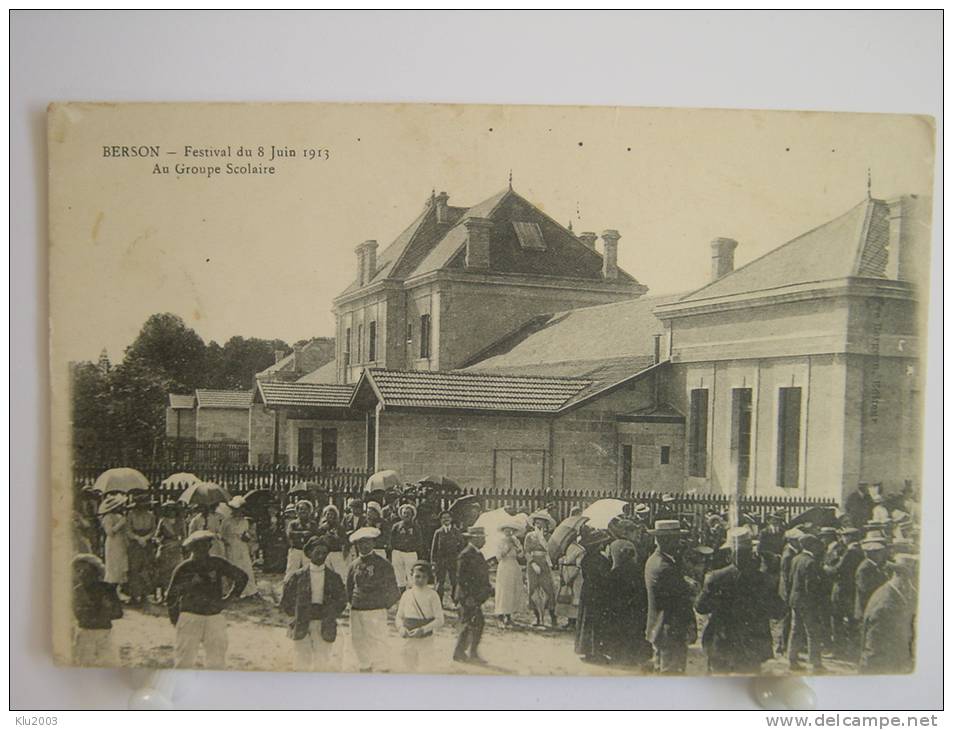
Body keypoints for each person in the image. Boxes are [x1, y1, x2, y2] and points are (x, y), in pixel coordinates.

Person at [695, 527, 787, 674]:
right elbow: (779, 611)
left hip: (722, 644)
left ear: (730, 553)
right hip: (752, 648)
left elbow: (700, 607)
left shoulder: (716, 578)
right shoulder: (764, 580)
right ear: (751, 552)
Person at [166, 530, 248, 669]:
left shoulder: (217, 563)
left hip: (214, 616)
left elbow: (242, 577)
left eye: (206, 545)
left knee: (216, 661)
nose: (202, 549)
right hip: (190, 616)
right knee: (183, 661)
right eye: (197, 546)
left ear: (210, 547)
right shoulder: (184, 568)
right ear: (191, 548)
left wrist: (228, 599)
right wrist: (176, 620)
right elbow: (171, 596)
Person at [280, 535, 347, 672]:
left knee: (322, 662)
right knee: (301, 662)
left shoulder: (334, 578)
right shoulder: (297, 576)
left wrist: (329, 613)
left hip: (324, 622)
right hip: (302, 622)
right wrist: (297, 614)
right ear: (309, 553)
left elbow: (341, 601)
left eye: (324, 553)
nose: (321, 556)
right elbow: (286, 601)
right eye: (317, 552)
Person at [644, 520, 696, 674]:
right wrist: (689, 587)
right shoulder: (665, 567)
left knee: (662, 670)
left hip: (659, 625)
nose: (679, 543)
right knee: (672, 673)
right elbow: (681, 600)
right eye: (675, 539)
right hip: (670, 628)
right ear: (666, 540)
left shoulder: (656, 560)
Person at [345, 526, 400, 672]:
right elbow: (349, 587)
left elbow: (393, 588)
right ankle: (364, 664)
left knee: (378, 638)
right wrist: (353, 602)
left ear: (373, 543)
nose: (364, 546)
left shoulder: (383, 564)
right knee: (358, 638)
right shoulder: (353, 565)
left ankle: (382, 666)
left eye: (367, 542)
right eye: (360, 543)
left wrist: (383, 605)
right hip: (357, 608)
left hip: (376, 608)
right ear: (356, 545)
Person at [860, 555, 917, 674]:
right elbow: (873, 651)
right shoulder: (885, 605)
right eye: (911, 579)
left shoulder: (896, 594)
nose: (912, 587)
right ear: (901, 577)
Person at [604, 538, 653, 667]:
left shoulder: (614, 573)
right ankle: (635, 657)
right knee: (635, 632)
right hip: (636, 609)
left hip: (619, 610)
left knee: (620, 632)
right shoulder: (639, 571)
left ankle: (619, 656)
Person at [71, 553, 123, 666]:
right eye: (78, 571)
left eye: (85, 571)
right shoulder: (78, 591)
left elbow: (118, 613)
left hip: (105, 634)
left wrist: (107, 607)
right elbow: (78, 615)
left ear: (96, 572)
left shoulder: (108, 589)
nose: (81, 574)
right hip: (85, 633)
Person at [787, 533, 827, 672]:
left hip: (795, 600)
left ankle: (792, 660)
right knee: (813, 632)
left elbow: (791, 579)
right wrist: (817, 603)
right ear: (811, 545)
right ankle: (816, 664)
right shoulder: (810, 562)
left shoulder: (796, 558)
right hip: (807, 602)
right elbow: (811, 587)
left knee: (795, 630)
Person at [396, 561, 445, 671]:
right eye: (417, 576)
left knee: (426, 669)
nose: (420, 580)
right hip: (408, 637)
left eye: (424, 577)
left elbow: (440, 620)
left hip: (425, 639)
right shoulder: (407, 594)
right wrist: (401, 628)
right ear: (411, 575)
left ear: (428, 578)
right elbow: (399, 616)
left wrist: (423, 630)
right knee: (408, 668)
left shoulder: (432, 595)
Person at [453, 526, 492, 664]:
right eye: (482, 537)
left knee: (476, 623)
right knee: (469, 624)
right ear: (474, 538)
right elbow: (462, 579)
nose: (484, 540)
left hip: (475, 596)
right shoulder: (466, 554)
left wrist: (487, 589)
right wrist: (468, 597)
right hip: (467, 597)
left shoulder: (477, 553)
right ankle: (461, 652)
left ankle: (470, 652)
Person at [824, 527, 864, 658]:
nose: (842, 539)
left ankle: (839, 651)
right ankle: (853, 650)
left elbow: (838, 570)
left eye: (844, 536)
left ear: (850, 537)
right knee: (852, 621)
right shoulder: (860, 550)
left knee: (837, 620)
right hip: (852, 590)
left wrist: (826, 568)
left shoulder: (851, 552)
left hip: (842, 590)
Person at [575, 528, 613, 664]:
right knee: (596, 621)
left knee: (586, 619)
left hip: (587, 590)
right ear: (599, 545)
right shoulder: (601, 559)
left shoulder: (586, 558)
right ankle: (595, 651)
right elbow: (605, 576)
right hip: (598, 592)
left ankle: (586, 649)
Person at [524, 510, 557, 627]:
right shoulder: (529, 536)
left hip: (545, 563)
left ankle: (553, 617)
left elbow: (553, 551)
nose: (539, 525)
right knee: (532, 590)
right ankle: (537, 617)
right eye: (537, 522)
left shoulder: (549, 537)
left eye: (542, 523)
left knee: (549, 589)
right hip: (533, 564)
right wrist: (532, 563)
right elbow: (527, 552)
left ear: (546, 524)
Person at [221, 496, 258, 598]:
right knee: (233, 567)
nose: (239, 512)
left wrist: (246, 537)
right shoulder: (227, 521)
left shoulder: (245, 522)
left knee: (245, 566)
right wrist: (228, 542)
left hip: (242, 547)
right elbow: (222, 535)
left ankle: (249, 591)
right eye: (236, 510)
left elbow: (247, 534)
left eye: (241, 510)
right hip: (231, 546)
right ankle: (232, 591)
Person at [776, 527, 803, 655]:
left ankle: (783, 644)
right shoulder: (788, 555)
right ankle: (782, 645)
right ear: (792, 541)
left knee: (787, 618)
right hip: (787, 590)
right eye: (798, 540)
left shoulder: (792, 551)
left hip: (788, 590)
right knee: (787, 618)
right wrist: (787, 594)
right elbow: (786, 577)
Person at [430, 510, 465, 606]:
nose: (446, 520)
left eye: (448, 517)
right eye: (443, 518)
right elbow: (434, 549)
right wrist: (433, 562)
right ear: (440, 520)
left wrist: (460, 560)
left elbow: (461, 547)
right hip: (441, 561)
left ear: (451, 519)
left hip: (453, 560)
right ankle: (438, 602)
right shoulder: (438, 532)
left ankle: (455, 601)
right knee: (439, 582)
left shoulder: (456, 532)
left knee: (454, 581)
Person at [494, 521, 525, 627]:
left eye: (511, 530)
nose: (508, 532)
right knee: (504, 590)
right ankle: (500, 615)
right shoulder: (500, 541)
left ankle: (509, 615)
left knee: (513, 590)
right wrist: (507, 548)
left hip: (514, 565)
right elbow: (498, 557)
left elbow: (521, 556)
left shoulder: (516, 540)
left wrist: (518, 549)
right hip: (505, 565)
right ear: (503, 531)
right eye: (506, 530)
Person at [153, 501, 184, 602]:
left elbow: (184, 537)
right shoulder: (163, 521)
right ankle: (162, 595)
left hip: (176, 548)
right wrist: (159, 542)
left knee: (176, 572)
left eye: (173, 509)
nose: (171, 511)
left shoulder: (180, 521)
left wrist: (178, 543)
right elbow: (157, 536)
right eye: (169, 509)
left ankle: (174, 595)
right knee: (163, 572)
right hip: (165, 548)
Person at [854, 538, 890, 623]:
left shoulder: (874, 566)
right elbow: (865, 589)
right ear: (871, 554)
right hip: (866, 608)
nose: (882, 555)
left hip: (871, 607)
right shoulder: (865, 569)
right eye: (879, 552)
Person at [98, 494, 129, 591]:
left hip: (121, 542)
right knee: (114, 567)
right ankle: (112, 589)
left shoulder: (119, 516)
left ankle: (120, 589)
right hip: (113, 543)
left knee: (121, 566)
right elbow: (109, 532)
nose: (121, 507)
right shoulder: (108, 517)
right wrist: (120, 524)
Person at [390, 503, 421, 590]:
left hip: (410, 553)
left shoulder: (416, 526)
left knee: (411, 575)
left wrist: (413, 548)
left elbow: (419, 541)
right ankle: (402, 594)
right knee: (399, 576)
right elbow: (392, 540)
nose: (406, 515)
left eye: (409, 513)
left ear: (412, 515)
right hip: (398, 552)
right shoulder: (396, 526)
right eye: (404, 513)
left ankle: (412, 595)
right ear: (401, 514)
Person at [556, 538, 585, 630]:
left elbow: (578, 565)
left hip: (574, 574)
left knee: (574, 597)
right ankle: (570, 621)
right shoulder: (567, 548)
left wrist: (571, 577)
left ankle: (573, 622)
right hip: (567, 572)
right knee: (568, 597)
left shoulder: (579, 550)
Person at [284, 500, 317, 580]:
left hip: (308, 550)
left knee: (308, 570)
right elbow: (289, 534)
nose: (303, 511)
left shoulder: (313, 524)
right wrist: (302, 533)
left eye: (306, 509)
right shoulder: (293, 523)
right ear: (297, 511)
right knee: (291, 570)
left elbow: (316, 535)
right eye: (301, 509)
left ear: (310, 511)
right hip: (296, 549)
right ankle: (288, 588)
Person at [315, 504, 349, 577]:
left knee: (340, 574)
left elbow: (344, 541)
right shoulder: (321, 527)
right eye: (328, 514)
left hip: (336, 553)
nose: (330, 516)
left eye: (332, 514)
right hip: (325, 553)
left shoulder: (339, 527)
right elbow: (316, 539)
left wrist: (336, 537)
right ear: (325, 515)